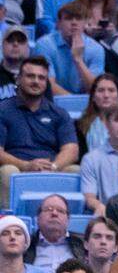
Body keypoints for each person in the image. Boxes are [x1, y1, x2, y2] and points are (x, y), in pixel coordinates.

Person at [0, 57, 78, 201]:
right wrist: (26, 165)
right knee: (7, 171)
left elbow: (71, 149)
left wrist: (53, 167)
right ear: (18, 79)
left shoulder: (59, 113)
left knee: (75, 171)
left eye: (41, 78)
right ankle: (8, 221)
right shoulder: (3, 110)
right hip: (18, 168)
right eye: (30, 76)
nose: (36, 81)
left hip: (51, 169)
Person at [79, 100, 118, 216]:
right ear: (106, 124)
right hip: (106, 218)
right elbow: (89, 197)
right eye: (117, 120)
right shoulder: (91, 159)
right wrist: (101, 207)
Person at [24, 194, 84, 273]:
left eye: (60, 210)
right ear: (38, 218)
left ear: (68, 219)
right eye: (48, 209)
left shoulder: (82, 243)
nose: (54, 213)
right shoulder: (25, 244)